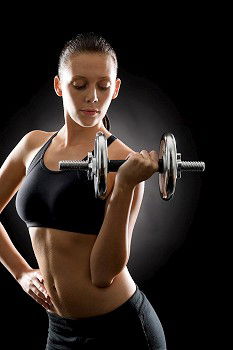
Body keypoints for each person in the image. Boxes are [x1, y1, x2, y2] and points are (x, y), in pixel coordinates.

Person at [0, 32, 167, 349]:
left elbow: (103, 274)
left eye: (103, 86)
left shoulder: (126, 164)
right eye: (80, 85)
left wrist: (127, 186)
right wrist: (21, 272)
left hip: (122, 331)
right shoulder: (32, 145)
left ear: (115, 89)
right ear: (59, 86)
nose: (92, 96)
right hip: (60, 331)